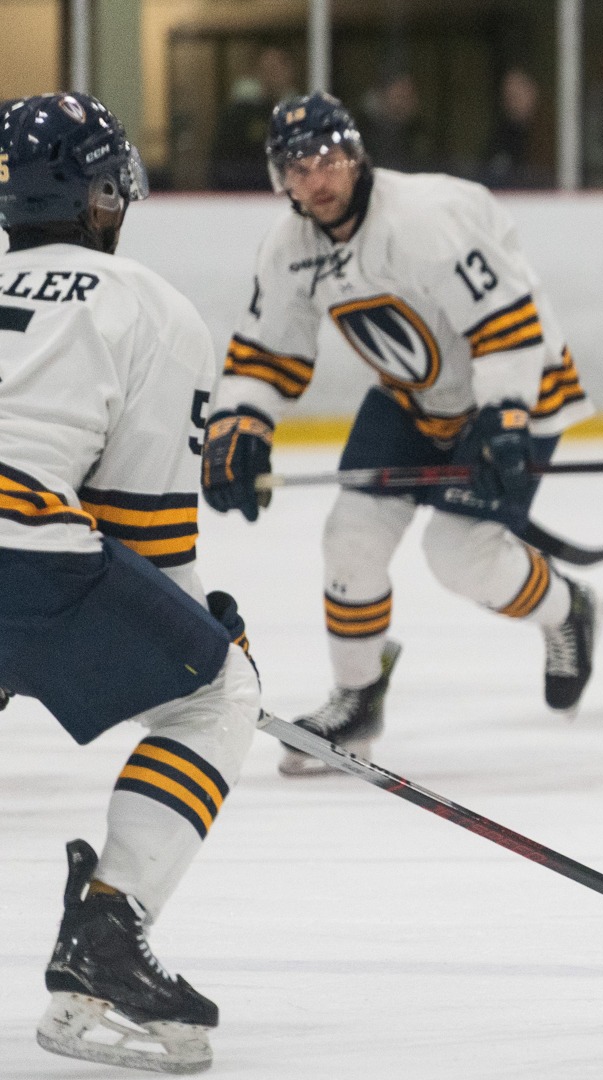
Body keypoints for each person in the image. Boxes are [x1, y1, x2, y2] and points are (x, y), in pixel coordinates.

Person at [200, 92, 599, 776]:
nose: (314, 180)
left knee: (461, 555)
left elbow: (506, 321)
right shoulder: (289, 247)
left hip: (514, 388)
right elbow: (268, 352)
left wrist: (504, 413)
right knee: (349, 540)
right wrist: (240, 422)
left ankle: (568, 609)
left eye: (326, 160)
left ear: (356, 157)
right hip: (412, 400)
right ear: (278, 179)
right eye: (296, 168)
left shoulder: (423, 221)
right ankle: (357, 704)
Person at [0, 93, 260, 1074]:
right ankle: (108, 934)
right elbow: (146, 537)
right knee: (217, 693)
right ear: (102, 194)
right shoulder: (146, 302)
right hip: (25, 551)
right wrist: (204, 629)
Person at [208, 45, 299, 191]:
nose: (271, 75)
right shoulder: (239, 114)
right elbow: (222, 161)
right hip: (247, 195)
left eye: (276, 69)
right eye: (266, 69)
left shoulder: (301, 113)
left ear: (289, 71)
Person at [481, 68, 547, 190]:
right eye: (508, 95)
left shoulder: (550, 131)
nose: (512, 101)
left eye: (517, 94)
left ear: (532, 91)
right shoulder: (501, 135)